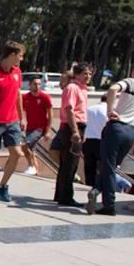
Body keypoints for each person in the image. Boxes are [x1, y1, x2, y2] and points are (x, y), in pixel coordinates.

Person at [88, 60, 134, 215]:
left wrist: (110, 111)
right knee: (112, 167)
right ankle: (96, 190)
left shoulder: (130, 82)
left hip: (116, 128)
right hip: (131, 132)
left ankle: (109, 206)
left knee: (108, 167)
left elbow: (113, 89)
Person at [0, 41, 26, 202]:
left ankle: (2, 186)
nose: (21, 59)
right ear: (12, 54)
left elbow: (18, 96)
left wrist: (22, 117)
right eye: (20, 56)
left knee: (17, 153)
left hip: (12, 121)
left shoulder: (17, 72)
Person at [54, 62, 92, 207]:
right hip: (72, 126)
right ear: (76, 74)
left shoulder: (83, 89)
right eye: (84, 73)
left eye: (89, 73)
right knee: (70, 164)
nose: (87, 76)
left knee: (68, 163)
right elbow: (69, 109)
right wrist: (75, 131)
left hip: (78, 126)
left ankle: (61, 194)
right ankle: (66, 197)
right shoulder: (73, 88)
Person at [21, 77, 53, 175]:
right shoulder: (25, 97)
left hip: (40, 128)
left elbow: (51, 115)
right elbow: (21, 110)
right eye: (35, 84)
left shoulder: (44, 97)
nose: (37, 86)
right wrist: (22, 121)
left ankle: (31, 166)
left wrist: (48, 131)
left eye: (39, 84)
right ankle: (36, 171)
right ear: (30, 85)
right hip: (30, 127)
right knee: (31, 150)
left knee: (24, 146)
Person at [80, 94, 109, 198]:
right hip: (101, 141)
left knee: (89, 167)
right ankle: (99, 187)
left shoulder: (89, 109)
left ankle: (89, 186)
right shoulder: (108, 111)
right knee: (103, 166)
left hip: (87, 141)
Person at [48, 70, 74, 167]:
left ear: (70, 80)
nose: (60, 83)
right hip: (63, 126)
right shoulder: (66, 91)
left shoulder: (71, 90)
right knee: (54, 151)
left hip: (68, 126)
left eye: (62, 80)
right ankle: (64, 169)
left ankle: (66, 170)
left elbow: (71, 109)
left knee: (59, 151)